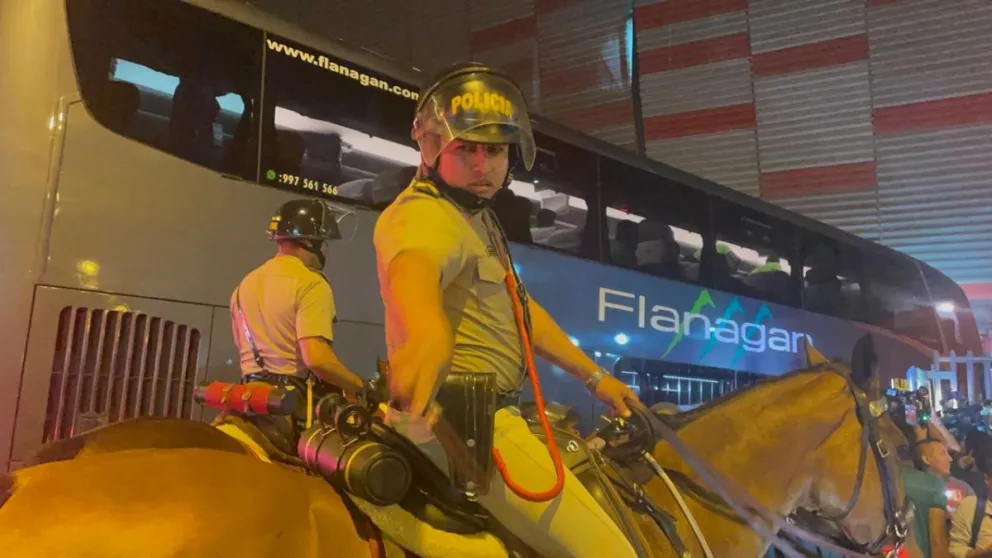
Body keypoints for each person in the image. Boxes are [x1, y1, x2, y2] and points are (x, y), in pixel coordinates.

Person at [373, 62, 640, 558]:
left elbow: (522, 309)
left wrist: (595, 378)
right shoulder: (424, 217)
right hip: (474, 426)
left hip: (477, 417)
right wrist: (427, 341)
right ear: (430, 148)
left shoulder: (474, 217)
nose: (483, 165)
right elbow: (417, 282)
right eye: (466, 149)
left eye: (495, 150)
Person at [231, 198, 364, 407]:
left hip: (248, 395)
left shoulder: (245, 284)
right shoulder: (311, 283)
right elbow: (317, 359)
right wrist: (359, 386)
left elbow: (241, 345)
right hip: (291, 401)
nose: (327, 249)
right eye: (325, 242)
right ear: (310, 242)